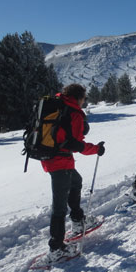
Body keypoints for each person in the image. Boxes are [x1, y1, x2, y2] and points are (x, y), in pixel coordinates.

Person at [40, 83, 105, 261]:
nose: (84, 102)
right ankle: (56, 249)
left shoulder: (59, 106)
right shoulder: (72, 112)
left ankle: (78, 221)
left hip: (53, 158)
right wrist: (96, 149)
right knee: (59, 206)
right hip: (60, 161)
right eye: (84, 98)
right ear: (79, 97)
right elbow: (75, 144)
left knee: (76, 181)